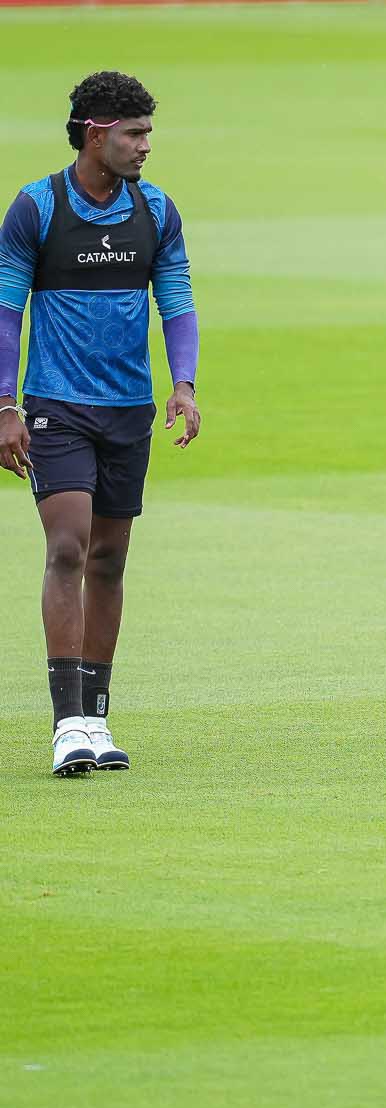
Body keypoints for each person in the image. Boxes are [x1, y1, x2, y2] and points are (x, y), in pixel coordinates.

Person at [0, 71, 200, 777]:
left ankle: (96, 717)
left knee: (110, 560)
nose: (145, 145)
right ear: (95, 134)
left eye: (147, 133)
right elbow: (6, 312)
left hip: (128, 411)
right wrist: (4, 405)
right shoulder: (37, 208)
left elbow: (177, 300)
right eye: (133, 133)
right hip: (56, 407)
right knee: (67, 547)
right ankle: (66, 725)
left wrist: (183, 384)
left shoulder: (156, 210)